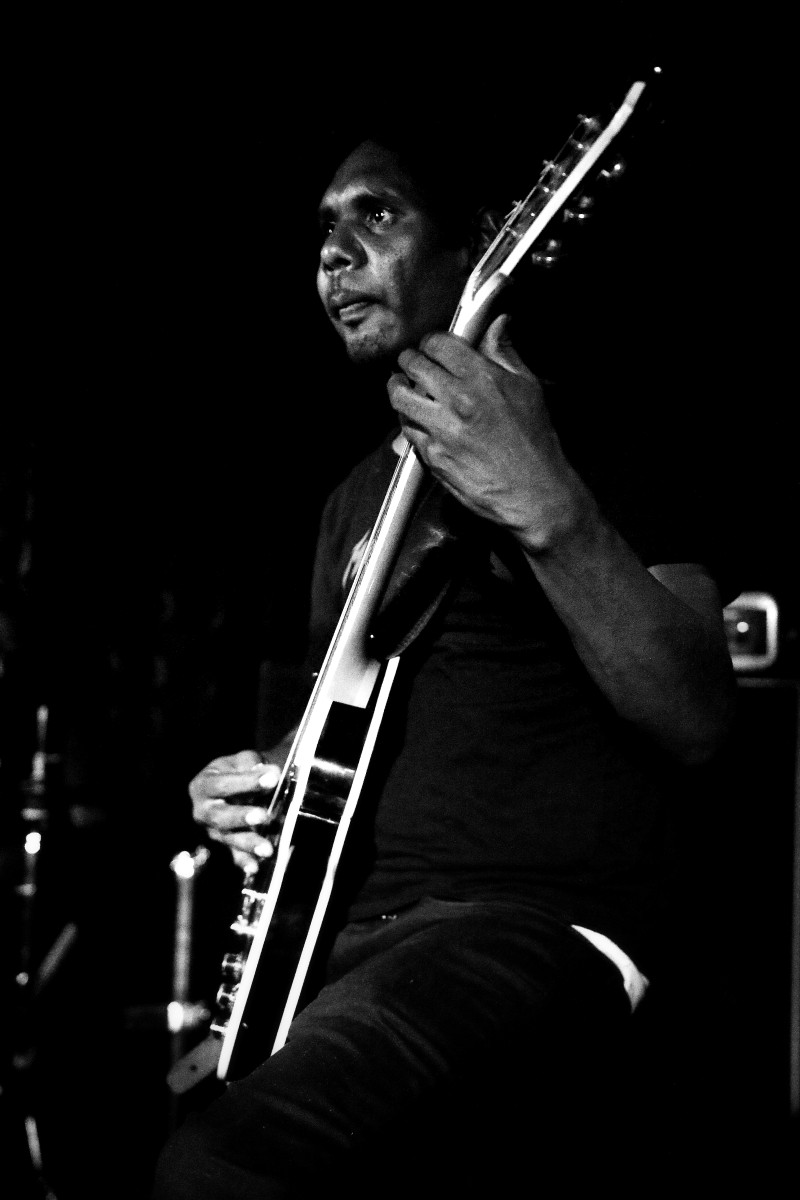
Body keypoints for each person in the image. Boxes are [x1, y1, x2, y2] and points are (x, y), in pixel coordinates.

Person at [152, 119, 737, 1197]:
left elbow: (698, 714)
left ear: (476, 243)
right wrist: (263, 778)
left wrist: (547, 505)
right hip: (344, 944)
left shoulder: (588, 435)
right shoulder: (350, 500)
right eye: (324, 229)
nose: (333, 255)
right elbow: (360, 716)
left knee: (224, 1172)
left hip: (522, 926)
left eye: (376, 215)